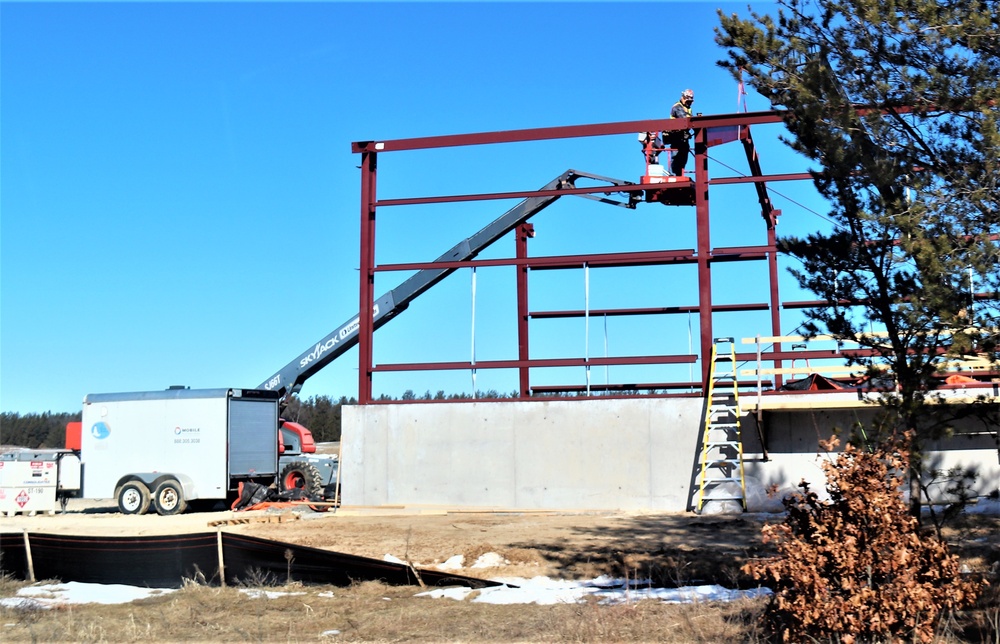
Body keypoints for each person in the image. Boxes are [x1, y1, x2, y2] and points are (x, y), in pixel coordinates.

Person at [666, 89, 694, 176]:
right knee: (676, 158)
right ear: (683, 97)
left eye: (690, 101)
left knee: (683, 158)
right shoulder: (677, 107)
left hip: (683, 138)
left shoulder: (688, 108)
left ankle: (679, 175)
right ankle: (673, 175)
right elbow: (684, 119)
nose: (689, 103)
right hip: (676, 137)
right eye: (688, 100)